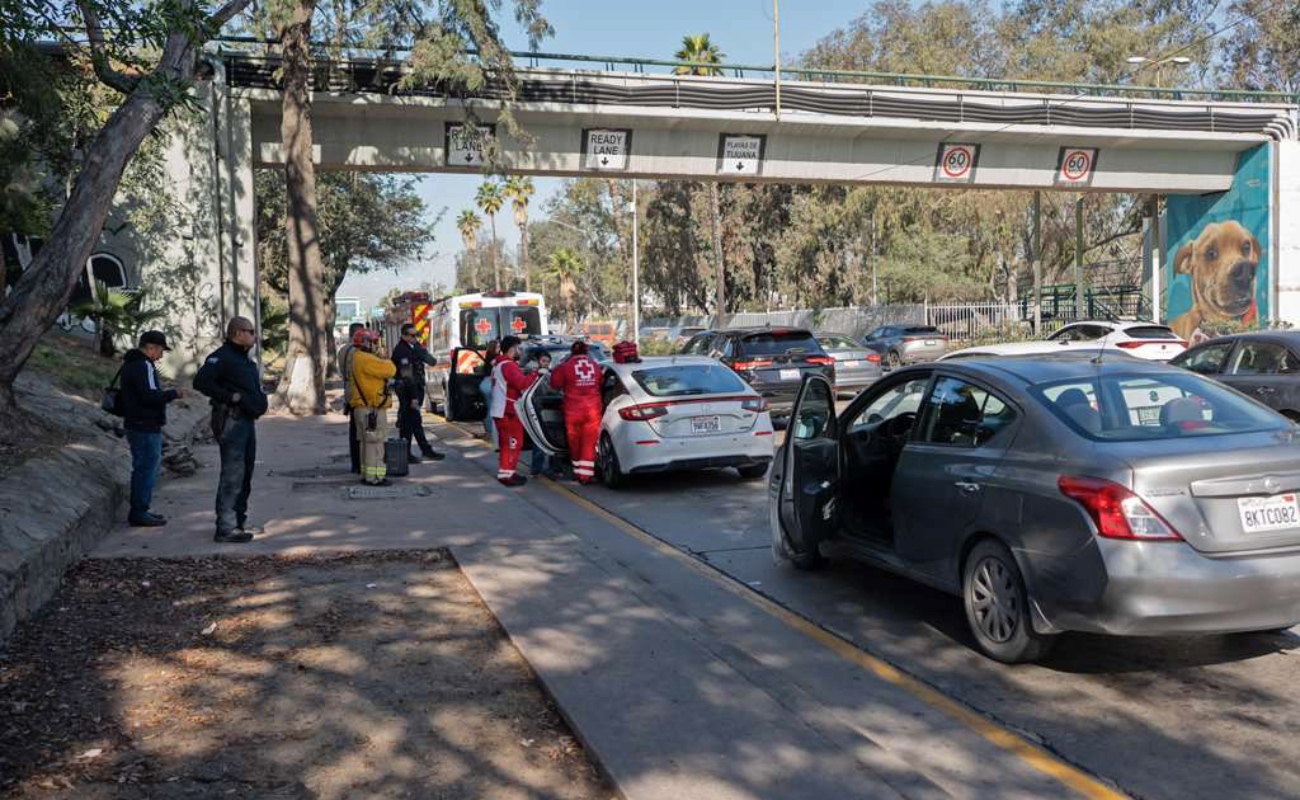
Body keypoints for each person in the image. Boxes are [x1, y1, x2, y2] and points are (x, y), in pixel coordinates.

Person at [194, 317, 268, 543]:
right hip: (232, 422)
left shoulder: (244, 359)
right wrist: (231, 397)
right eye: (250, 331)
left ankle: (238, 521)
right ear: (237, 333)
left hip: (247, 421)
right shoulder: (222, 357)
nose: (254, 336)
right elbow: (201, 382)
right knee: (233, 475)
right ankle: (226, 527)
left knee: (245, 474)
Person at [120, 330, 183, 527]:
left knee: (143, 467)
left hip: (136, 423)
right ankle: (140, 510)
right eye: (160, 350)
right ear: (150, 347)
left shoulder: (130, 364)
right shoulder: (144, 365)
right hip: (145, 425)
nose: (161, 356)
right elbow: (150, 395)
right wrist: (173, 394)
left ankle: (141, 509)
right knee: (147, 468)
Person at [549, 341, 605, 484]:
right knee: (588, 443)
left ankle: (578, 472)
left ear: (572, 352)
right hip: (592, 410)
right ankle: (585, 476)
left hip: (572, 411)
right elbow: (601, 383)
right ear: (586, 352)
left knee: (574, 442)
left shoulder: (565, 367)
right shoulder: (595, 366)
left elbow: (554, 384)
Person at [391, 323, 445, 463]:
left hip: (414, 389)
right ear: (403, 336)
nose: (415, 338)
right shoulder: (402, 351)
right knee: (409, 422)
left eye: (416, 335)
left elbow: (431, 362)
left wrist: (420, 349)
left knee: (413, 422)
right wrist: (414, 397)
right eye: (412, 335)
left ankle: (419, 451)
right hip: (408, 392)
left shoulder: (414, 348)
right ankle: (413, 452)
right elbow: (407, 376)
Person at [349, 329, 397, 485]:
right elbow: (390, 370)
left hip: (362, 408)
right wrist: (385, 358)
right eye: (374, 342)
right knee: (375, 443)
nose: (376, 345)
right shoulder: (366, 359)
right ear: (364, 342)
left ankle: (366, 474)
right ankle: (376, 477)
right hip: (372, 409)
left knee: (365, 443)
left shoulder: (356, 357)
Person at [490, 335, 537, 487]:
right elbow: (522, 384)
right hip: (507, 411)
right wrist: (536, 374)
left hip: (502, 409)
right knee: (513, 443)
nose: (520, 351)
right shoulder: (508, 365)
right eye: (519, 348)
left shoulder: (499, 364)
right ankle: (506, 475)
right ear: (512, 348)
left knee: (508, 444)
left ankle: (508, 471)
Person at [337, 322, 366, 474]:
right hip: (360, 394)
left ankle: (355, 464)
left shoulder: (342, 350)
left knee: (354, 430)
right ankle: (363, 463)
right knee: (364, 430)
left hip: (349, 392)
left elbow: (343, 372)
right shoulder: (357, 351)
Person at [528, 352, 558, 478]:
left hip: (550, 410)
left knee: (552, 441)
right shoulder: (534, 374)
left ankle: (553, 468)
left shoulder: (550, 375)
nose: (545, 363)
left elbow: (555, 390)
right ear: (538, 361)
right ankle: (536, 468)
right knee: (538, 441)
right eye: (543, 361)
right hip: (537, 410)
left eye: (547, 361)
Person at [478, 339, 500, 450]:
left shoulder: (489, 356)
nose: (499, 348)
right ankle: (491, 431)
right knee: (492, 408)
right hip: (489, 383)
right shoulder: (493, 357)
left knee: (489, 408)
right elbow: (495, 364)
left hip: (485, 383)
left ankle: (489, 431)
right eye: (498, 346)